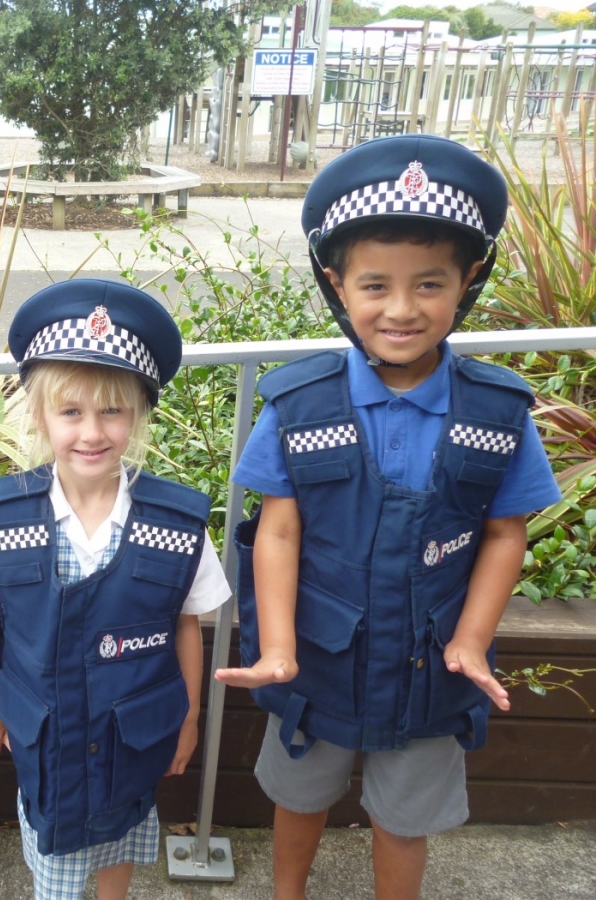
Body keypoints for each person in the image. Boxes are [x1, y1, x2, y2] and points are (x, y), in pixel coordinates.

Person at [214, 135, 562, 900]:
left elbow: (505, 532)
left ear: (469, 281)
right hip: (318, 659)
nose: (402, 310)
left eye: (429, 284)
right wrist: (277, 645)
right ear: (336, 285)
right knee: (300, 796)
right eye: (375, 285)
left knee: (406, 819)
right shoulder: (298, 405)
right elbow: (277, 530)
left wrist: (472, 641)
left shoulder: (497, 413)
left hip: (433, 666)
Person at [0, 279, 233, 900]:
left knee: (122, 836)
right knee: (57, 853)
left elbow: (185, 623)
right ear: (39, 415)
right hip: (46, 734)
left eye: (112, 411)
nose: (91, 432)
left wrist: (189, 718)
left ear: (139, 414)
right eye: (70, 411)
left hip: (132, 735)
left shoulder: (175, 526)